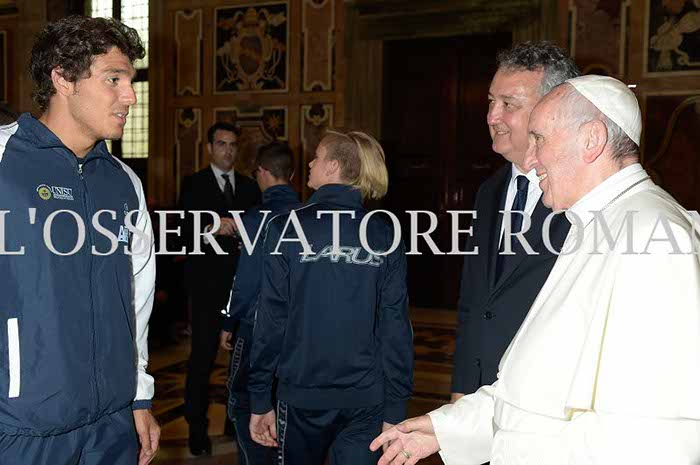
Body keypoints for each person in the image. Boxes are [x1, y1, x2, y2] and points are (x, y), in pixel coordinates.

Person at [371, 75, 700, 464]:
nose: (530, 160)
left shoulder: (652, 235)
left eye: (539, 139)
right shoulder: (593, 224)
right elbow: (539, 391)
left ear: (592, 139)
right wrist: (445, 428)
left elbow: (658, 437)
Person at [0, 15, 158, 465]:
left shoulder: (124, 182)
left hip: (111, 424)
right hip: (22, 425)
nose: (130, 96)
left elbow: (137, 297)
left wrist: (139, 396)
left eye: (131, 81)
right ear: (63, 79)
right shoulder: (4, 160)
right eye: (114, 79)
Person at [248, 131, 414, 465]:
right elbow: (395, 326)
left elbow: (271, 319)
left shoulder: (285, 228)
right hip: (367, 399)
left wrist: (259, 396)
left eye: (317, 156)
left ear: (333, 166)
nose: (310, 163)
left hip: (302, 397)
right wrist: (396, 408)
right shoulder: (384, 233)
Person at [451, 41, 578, 403]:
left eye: (508, 105)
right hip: (482, 397)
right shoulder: (488, 192)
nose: (492, 117)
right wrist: (462, 388)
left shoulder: (584, 198)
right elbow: (473, 301)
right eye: (492, 101)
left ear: (550, 109)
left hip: (547, 399)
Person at [180, 122, 261, 455]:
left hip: (242, 289)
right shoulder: (193, 184)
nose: (228, 150)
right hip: (206, 288)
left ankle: (234, 421)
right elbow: (183, 230)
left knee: (241, 362)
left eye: (232, 145)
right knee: (202, 360)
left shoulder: (250, 187)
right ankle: (197, 430)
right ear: (210, 148)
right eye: (222, 144)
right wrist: (213, 226)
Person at [219, 141, 301, 465]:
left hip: (256, 327)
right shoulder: (310, 216)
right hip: (298, 331)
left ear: (263, 173)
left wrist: (229, 320)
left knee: (245, 403)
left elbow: (246, 280)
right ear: (291, 174)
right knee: (287, 405)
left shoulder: (255, 218)